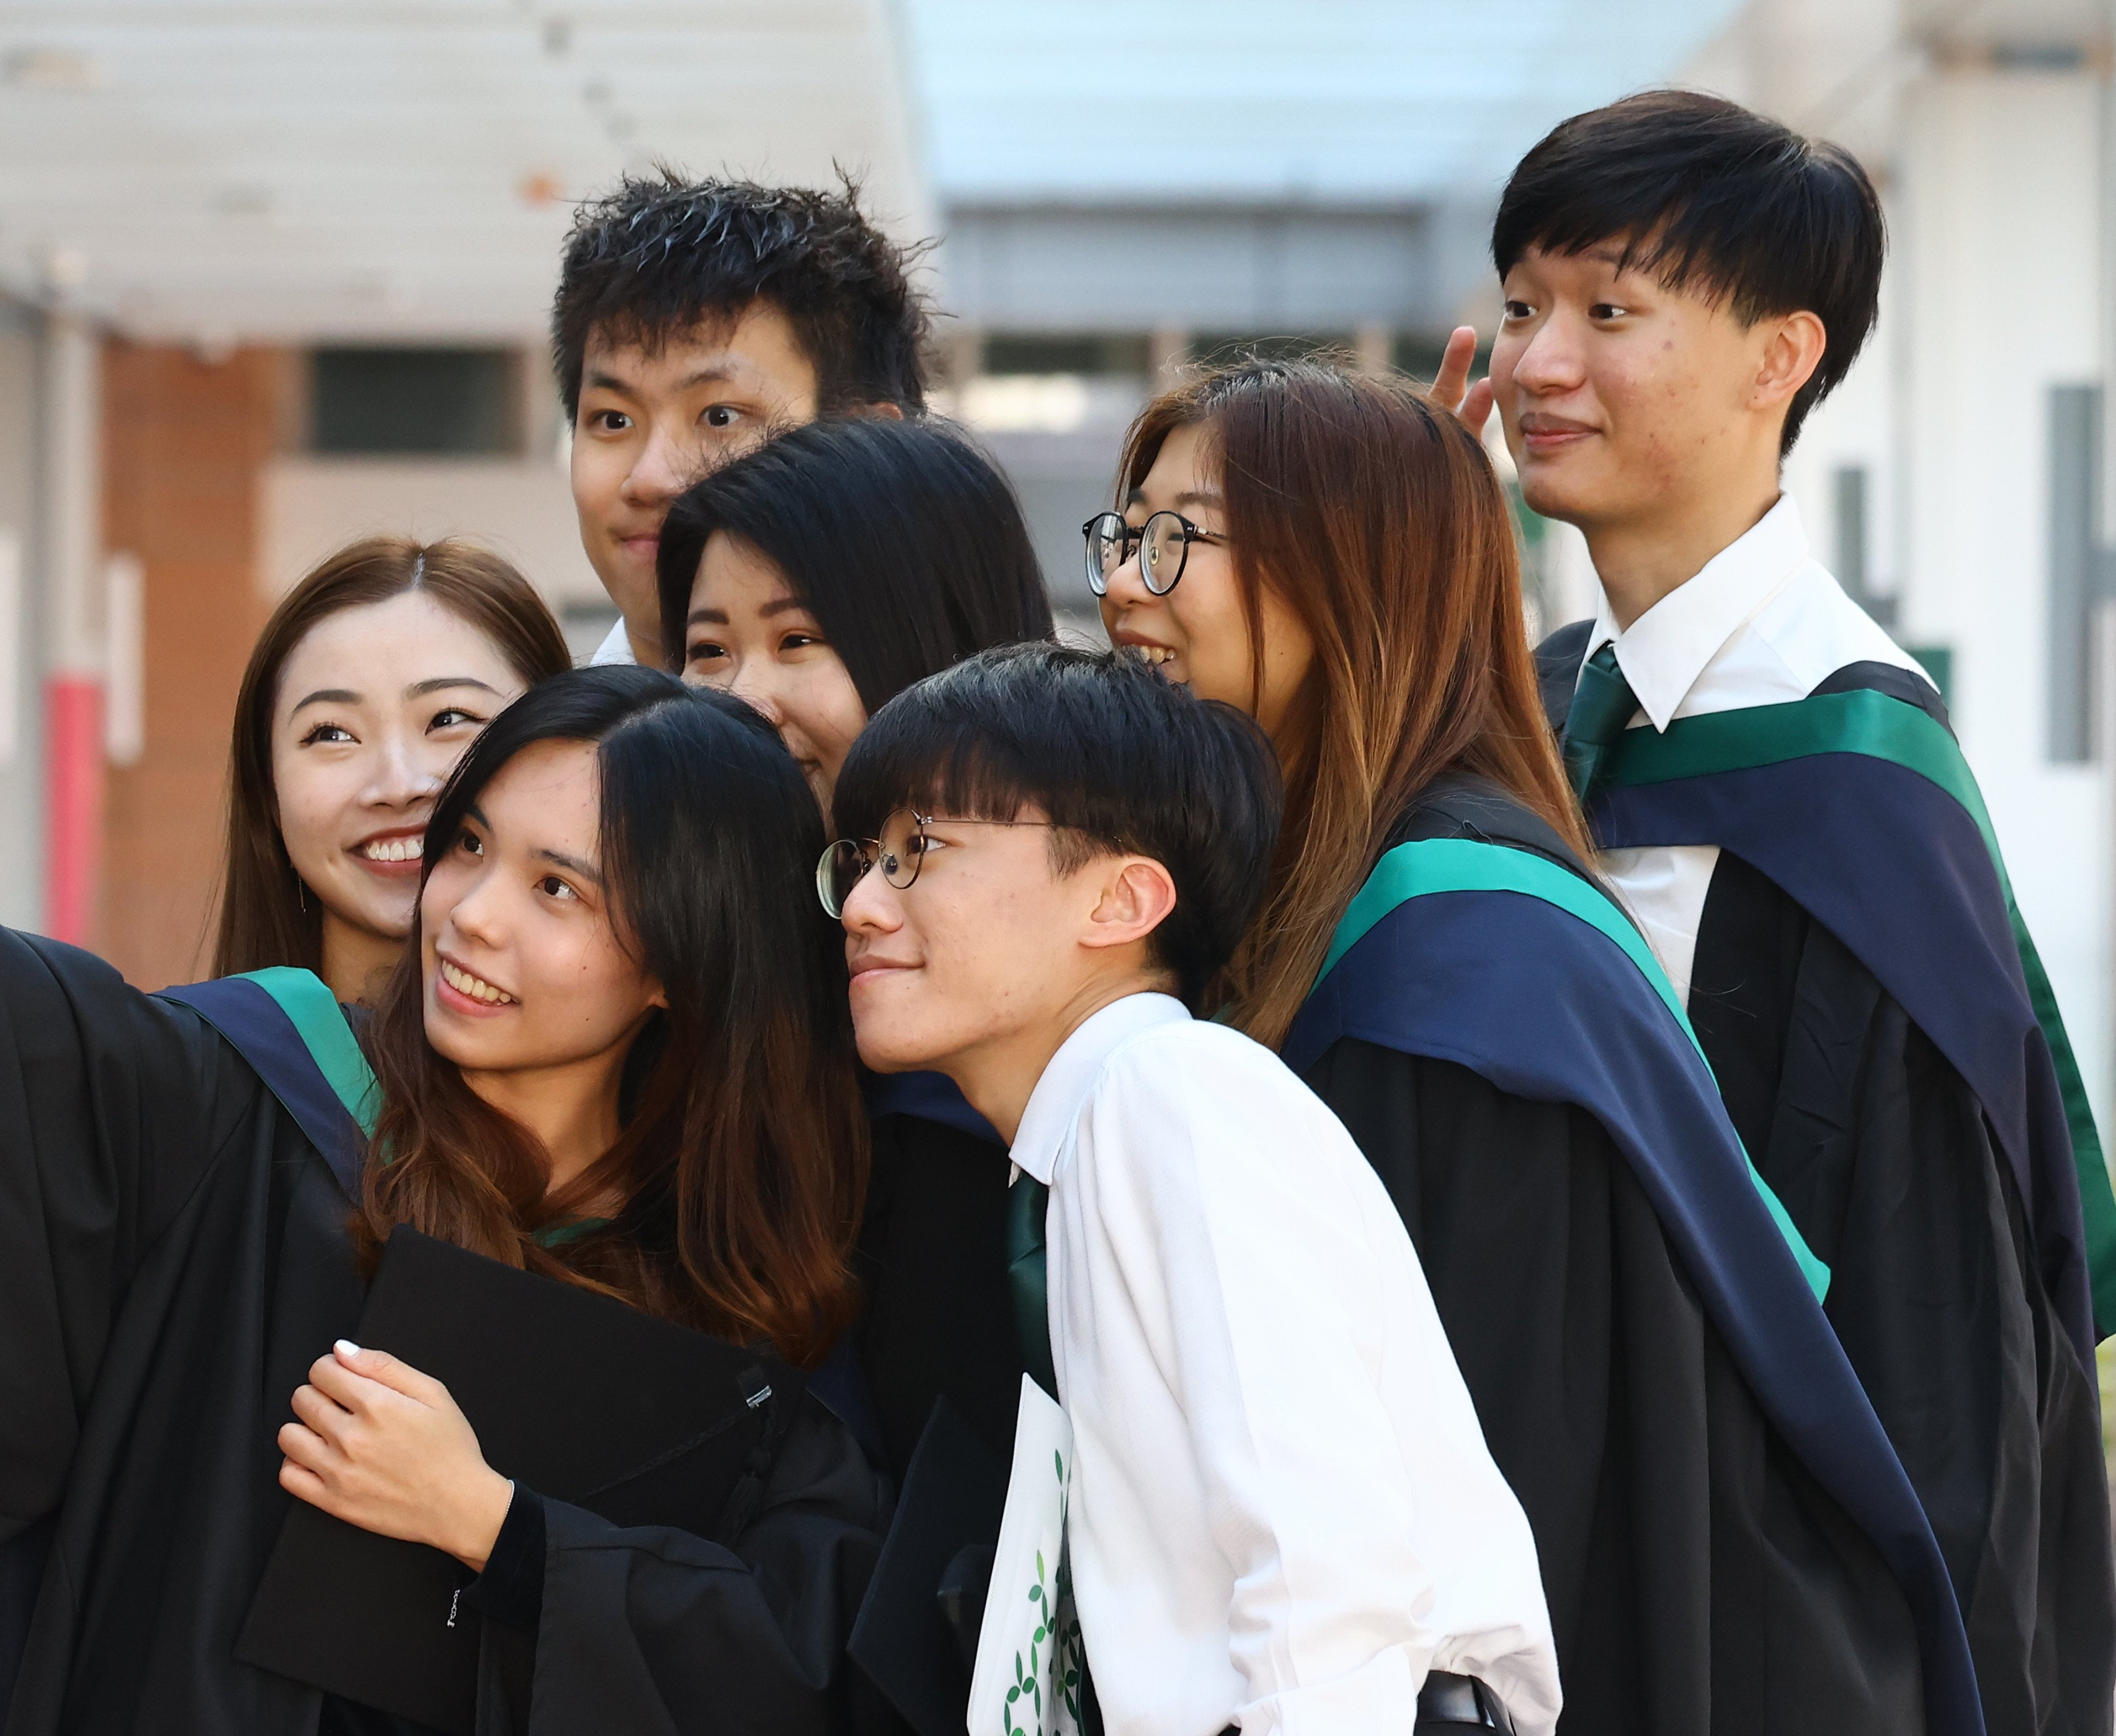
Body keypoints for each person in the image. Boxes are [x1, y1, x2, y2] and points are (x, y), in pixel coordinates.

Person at [0, 536, 882, 1734]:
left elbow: (790, 1656)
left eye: (556, 886)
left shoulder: (714, 1289)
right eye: (471, 846)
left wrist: (498, 1526)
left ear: (682, 960)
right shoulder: (240, 1090)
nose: (469, 914)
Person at [1095, 355, 1985, 1734]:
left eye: (1179, 540)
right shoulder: (1326, 887)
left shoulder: (1451, 968)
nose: (1121, 586)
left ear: (1347, 575)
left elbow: (1488, 1503)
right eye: (1125, 532)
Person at [1478, 91, 2113, 1734]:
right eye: (1520, 304)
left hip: (1753, 1618)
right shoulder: (1539, 705)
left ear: (1777, 358)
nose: (1537, 363)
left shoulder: (1843, 773)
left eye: (1607, 310)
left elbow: (1933, 1348)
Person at [828, 643, 1562, 1735]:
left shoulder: (1170, 1090)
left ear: (1121, 898)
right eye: (862, 860)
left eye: (920, 850)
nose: (860, 905)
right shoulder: (1090, 1135)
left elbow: (1321, 1559)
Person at [658, 412, 1055, 1492]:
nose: (742, 699)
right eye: (708, 651)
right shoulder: (704, 986)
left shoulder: (995, 1081)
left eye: (798, 641)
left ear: (936, 647)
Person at [552, 171, 930, 669]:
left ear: (871, 447)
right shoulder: (517, 719)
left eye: (719, 416)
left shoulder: (997, 717)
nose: (649, 479)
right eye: (614, 420)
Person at [211, 535, 571, 1002]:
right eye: (332, 734)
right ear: (269, 790)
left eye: (449, 719)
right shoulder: (194, 1047)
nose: (399, 785)